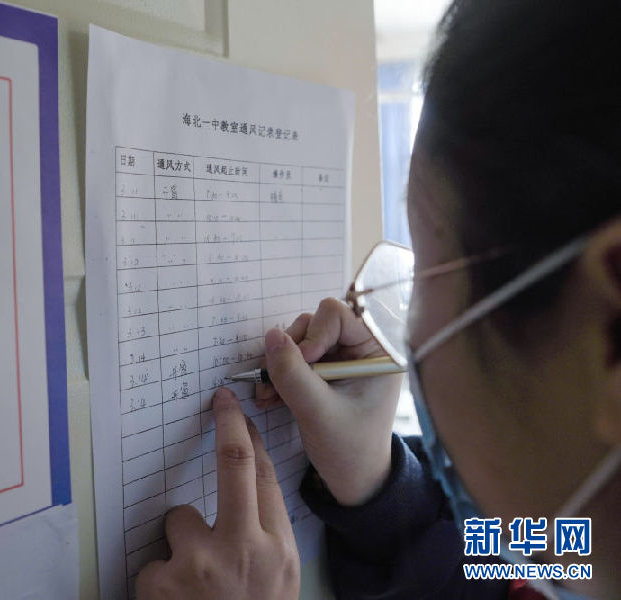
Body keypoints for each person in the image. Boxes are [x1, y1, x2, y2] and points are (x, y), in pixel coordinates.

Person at [135, 0, 621, 598]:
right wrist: (374, 483)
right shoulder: (573, 548)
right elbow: (493, 564)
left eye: (428, 276)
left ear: (611, 336)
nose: (409, 335)